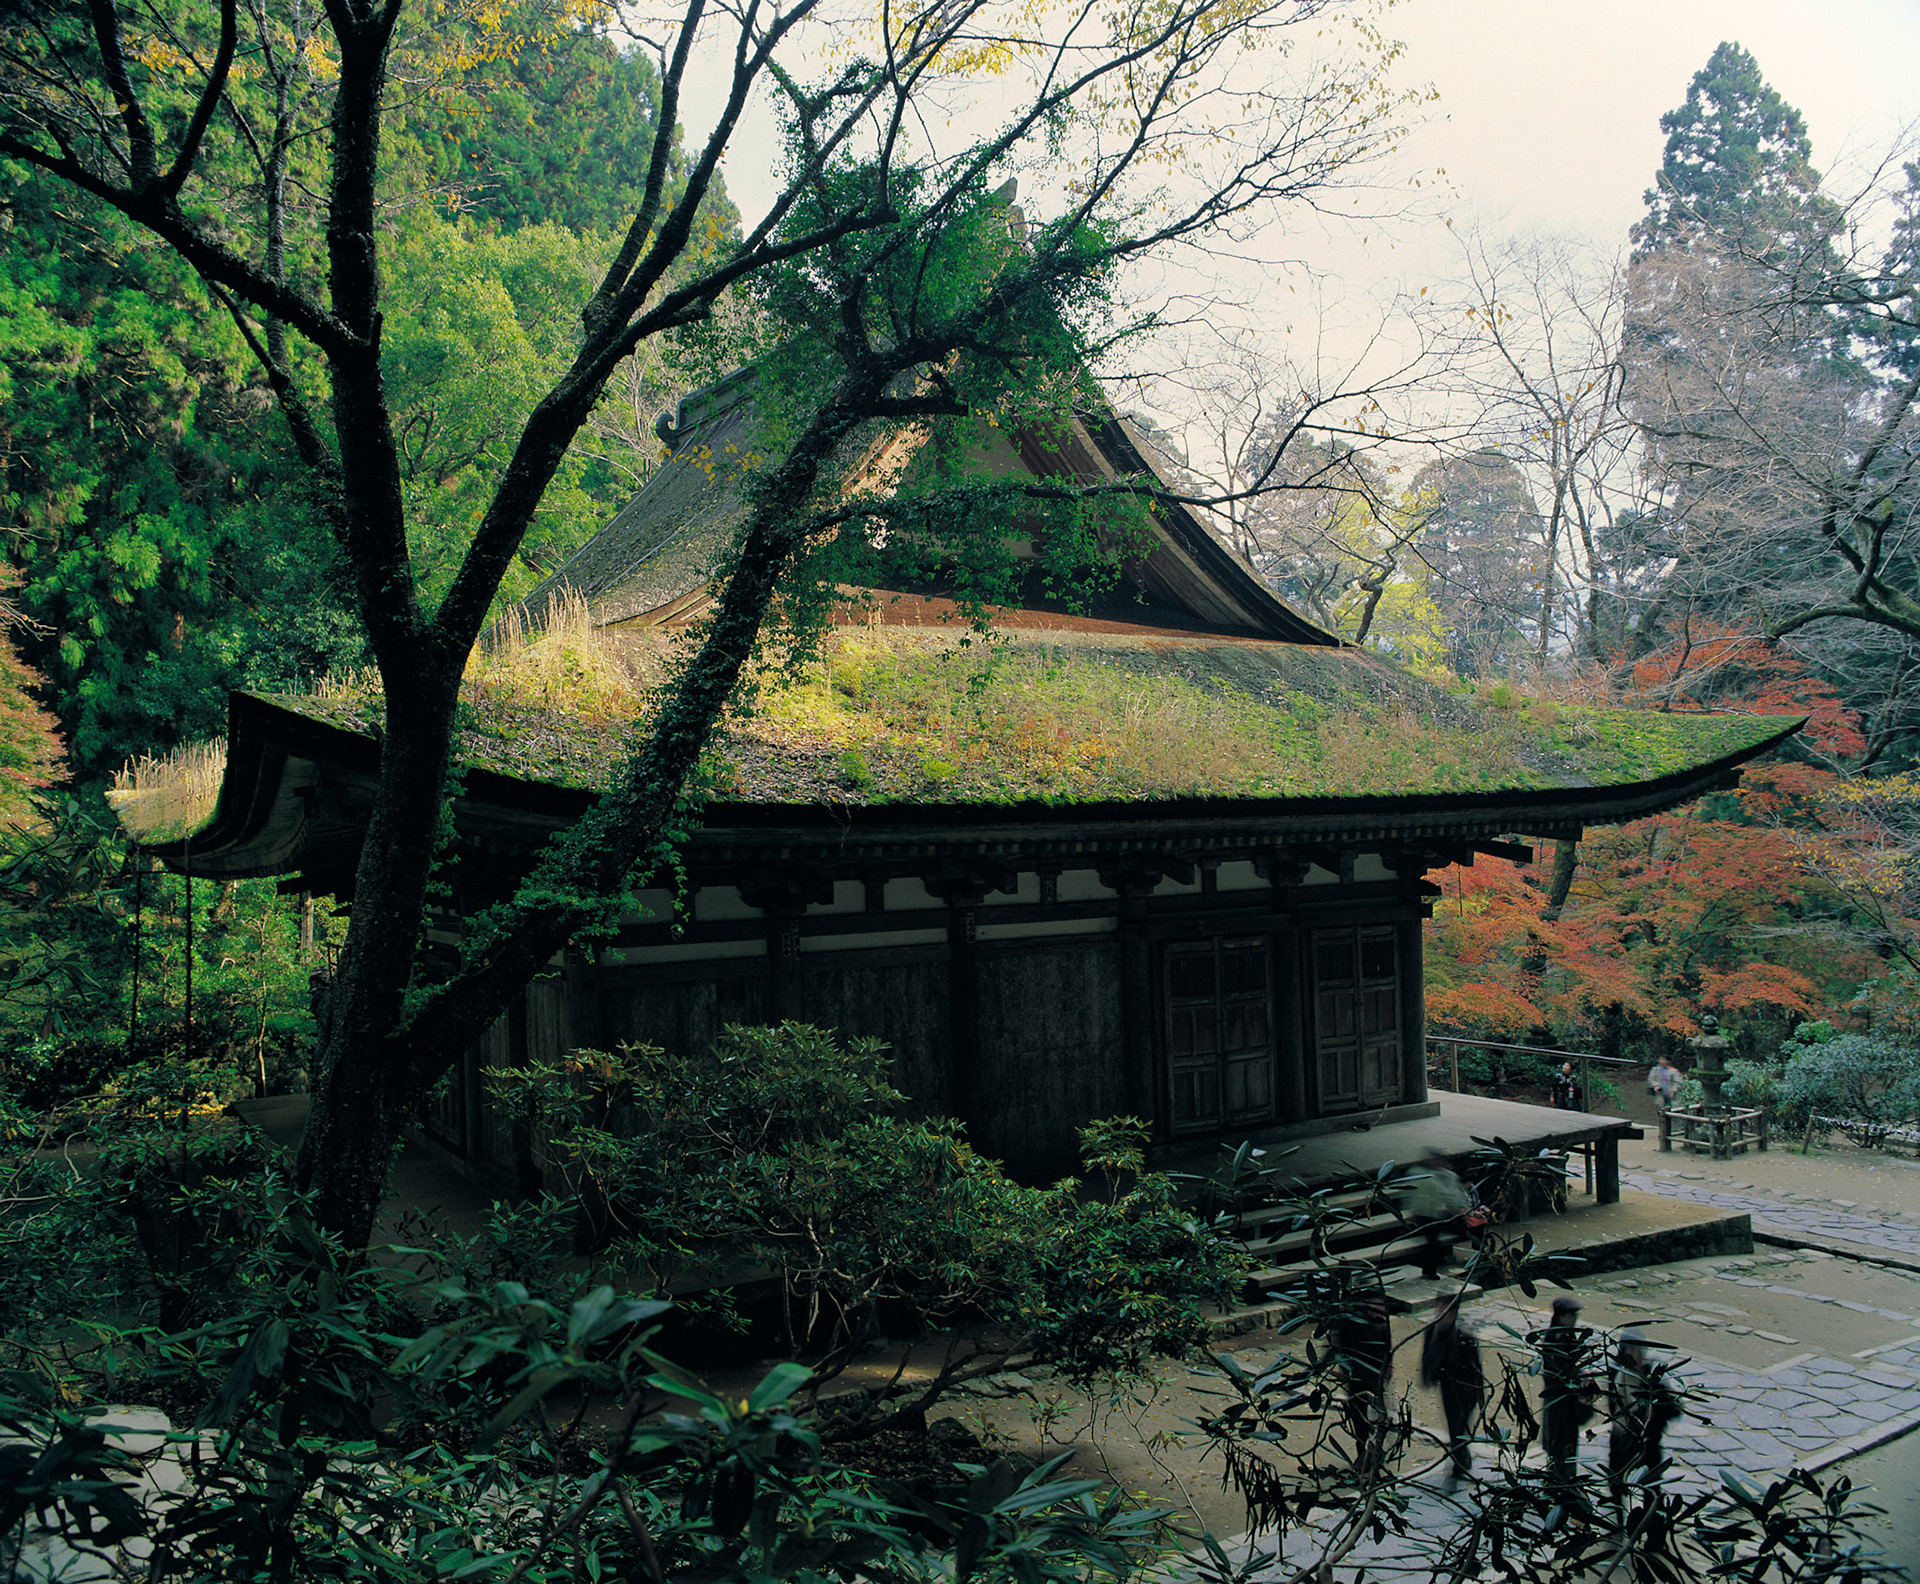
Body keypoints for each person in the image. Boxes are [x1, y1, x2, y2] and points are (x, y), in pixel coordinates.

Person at [1421, 1292, 1484, 1489]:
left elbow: (1476, 1366)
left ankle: (1461, 1461)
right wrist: (1427, 1377)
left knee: (1460, 1424)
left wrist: (1479, 1393)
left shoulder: (1465, 1334)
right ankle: (1461, 1459)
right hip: (1448, 1385)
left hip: (1466, 1387)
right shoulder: (1432, 1330)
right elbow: (1427, 1355)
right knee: (1455, 1424)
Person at [1609, 1327, 1682, 1493]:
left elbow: (1672, 1408)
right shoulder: (1616, 1372)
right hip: (1622, 1439)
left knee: (1651, 1488)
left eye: (1639, 1349)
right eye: (1632, 1349)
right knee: (1617, 1486)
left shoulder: (1652, 1373)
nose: (1637, 1354)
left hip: (1649, 1442)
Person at [1535, 1294, 1595, 1491]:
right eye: (1571, 1315)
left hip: (1564, 1404)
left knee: (1564, 1446)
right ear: (1560, 1316)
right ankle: (1560, 1485)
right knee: (1561, 1446)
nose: (1574, 1319)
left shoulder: (1565, 1336)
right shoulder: (1556, 1340)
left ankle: (1561, 1482)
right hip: (1559, 1403)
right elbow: (1561, 1372)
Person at [1334, 1290, 1394, 1457]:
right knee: (1359, 1419)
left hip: (1377, 1376)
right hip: (1358, 1377)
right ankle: (1363, 1453)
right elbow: (1341, 1346)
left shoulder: (1380, 1322)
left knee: (1380, 1416)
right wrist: (1345, 1371)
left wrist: (1388, 1368)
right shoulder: (1352, 1322)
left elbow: (1387, 1346)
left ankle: (1377, 1451)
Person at [1398, 1154, 1471, 1279]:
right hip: (1425, 1215)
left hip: (1441, 1214)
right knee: (1432, 1240)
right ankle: (1429, 1270)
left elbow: (1454, 1195)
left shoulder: (1447, 1175)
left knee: (1470, 1229)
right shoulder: (1419, 1174)